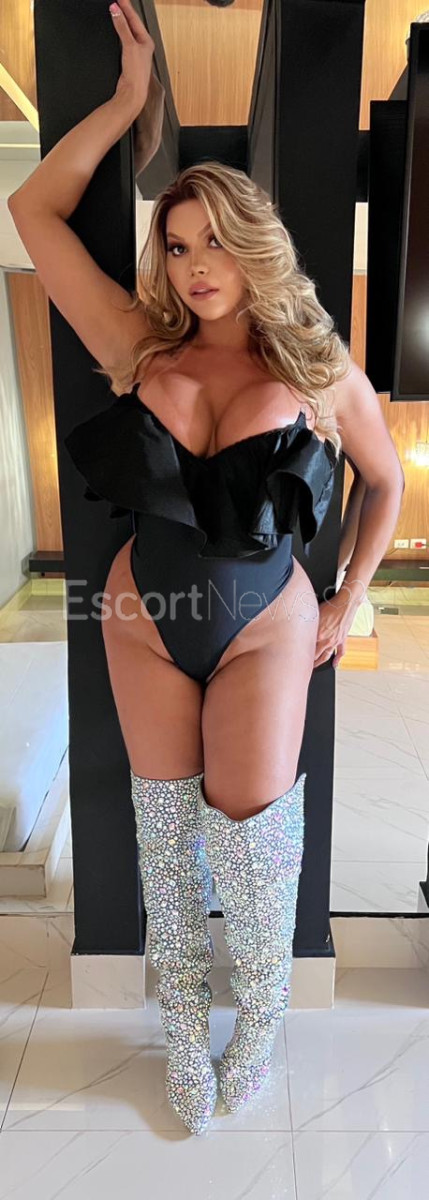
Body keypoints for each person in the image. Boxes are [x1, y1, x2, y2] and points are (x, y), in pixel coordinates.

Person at [8, 0, 405, 1137]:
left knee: (254, 843)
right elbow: (30, 210)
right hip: (144, 616)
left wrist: (351, 596)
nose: (193, 267)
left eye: (213, 243)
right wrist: (127, 102)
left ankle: (260, 1020)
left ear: (254, 243)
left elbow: (386, 483)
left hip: (266, 623)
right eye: (176, 247)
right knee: (164, 839)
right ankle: (184, 1028)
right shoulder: (138, 346)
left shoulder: (316, 365)